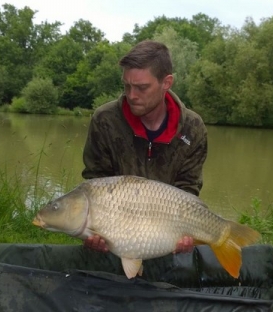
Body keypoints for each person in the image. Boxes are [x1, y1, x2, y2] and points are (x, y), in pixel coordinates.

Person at [82, 40, 208, 253]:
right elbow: (96, 182)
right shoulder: (105, 120)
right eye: (127, 86)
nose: (131, 95)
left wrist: (185, 235)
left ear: (166, 82)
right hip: (116, 229)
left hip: (166, 230)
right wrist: (94, 230)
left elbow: (188, 188)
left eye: (142, 87)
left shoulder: (192, 128)